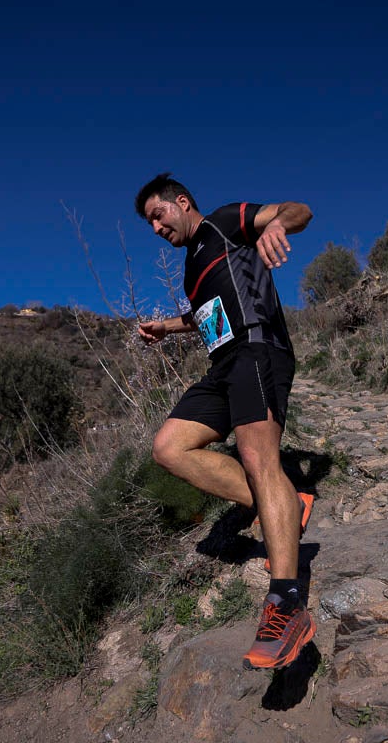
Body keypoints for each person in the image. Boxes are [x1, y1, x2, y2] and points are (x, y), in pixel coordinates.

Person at [134, 172, 316, 670]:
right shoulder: (195, 265)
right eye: (148, 222)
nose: (154, 228)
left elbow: (298, 207)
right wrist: (166, 327)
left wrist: (277, 225)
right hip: (222, 366)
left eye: (157, 215)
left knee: (261, 460)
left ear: (182, 203)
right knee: (170, 447)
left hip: (258, 350)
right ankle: (287, 503)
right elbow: (203, 314)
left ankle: (286, 603)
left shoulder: (221, 224)